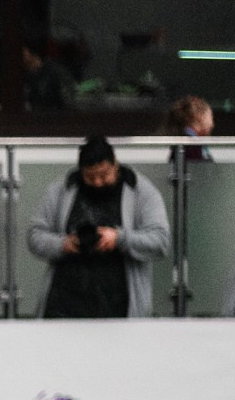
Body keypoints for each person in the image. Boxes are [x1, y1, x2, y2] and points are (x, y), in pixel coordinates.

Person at [28, 136, 171, 320]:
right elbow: (35, 235)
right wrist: (63, 244)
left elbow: (161, 241)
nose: (97, 182)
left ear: (115, 165)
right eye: (90, 176)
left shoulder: (142, 192)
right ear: (80, 171)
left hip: (120, 307)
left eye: (104, 175)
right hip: (63, 305)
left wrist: (119, 239)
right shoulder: (60, 190)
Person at [167, 95, 213, 163]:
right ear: (201, 117)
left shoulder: (193, 143)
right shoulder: (190, 145)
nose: (212, 124)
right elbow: (197, 171)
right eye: (210, 117)